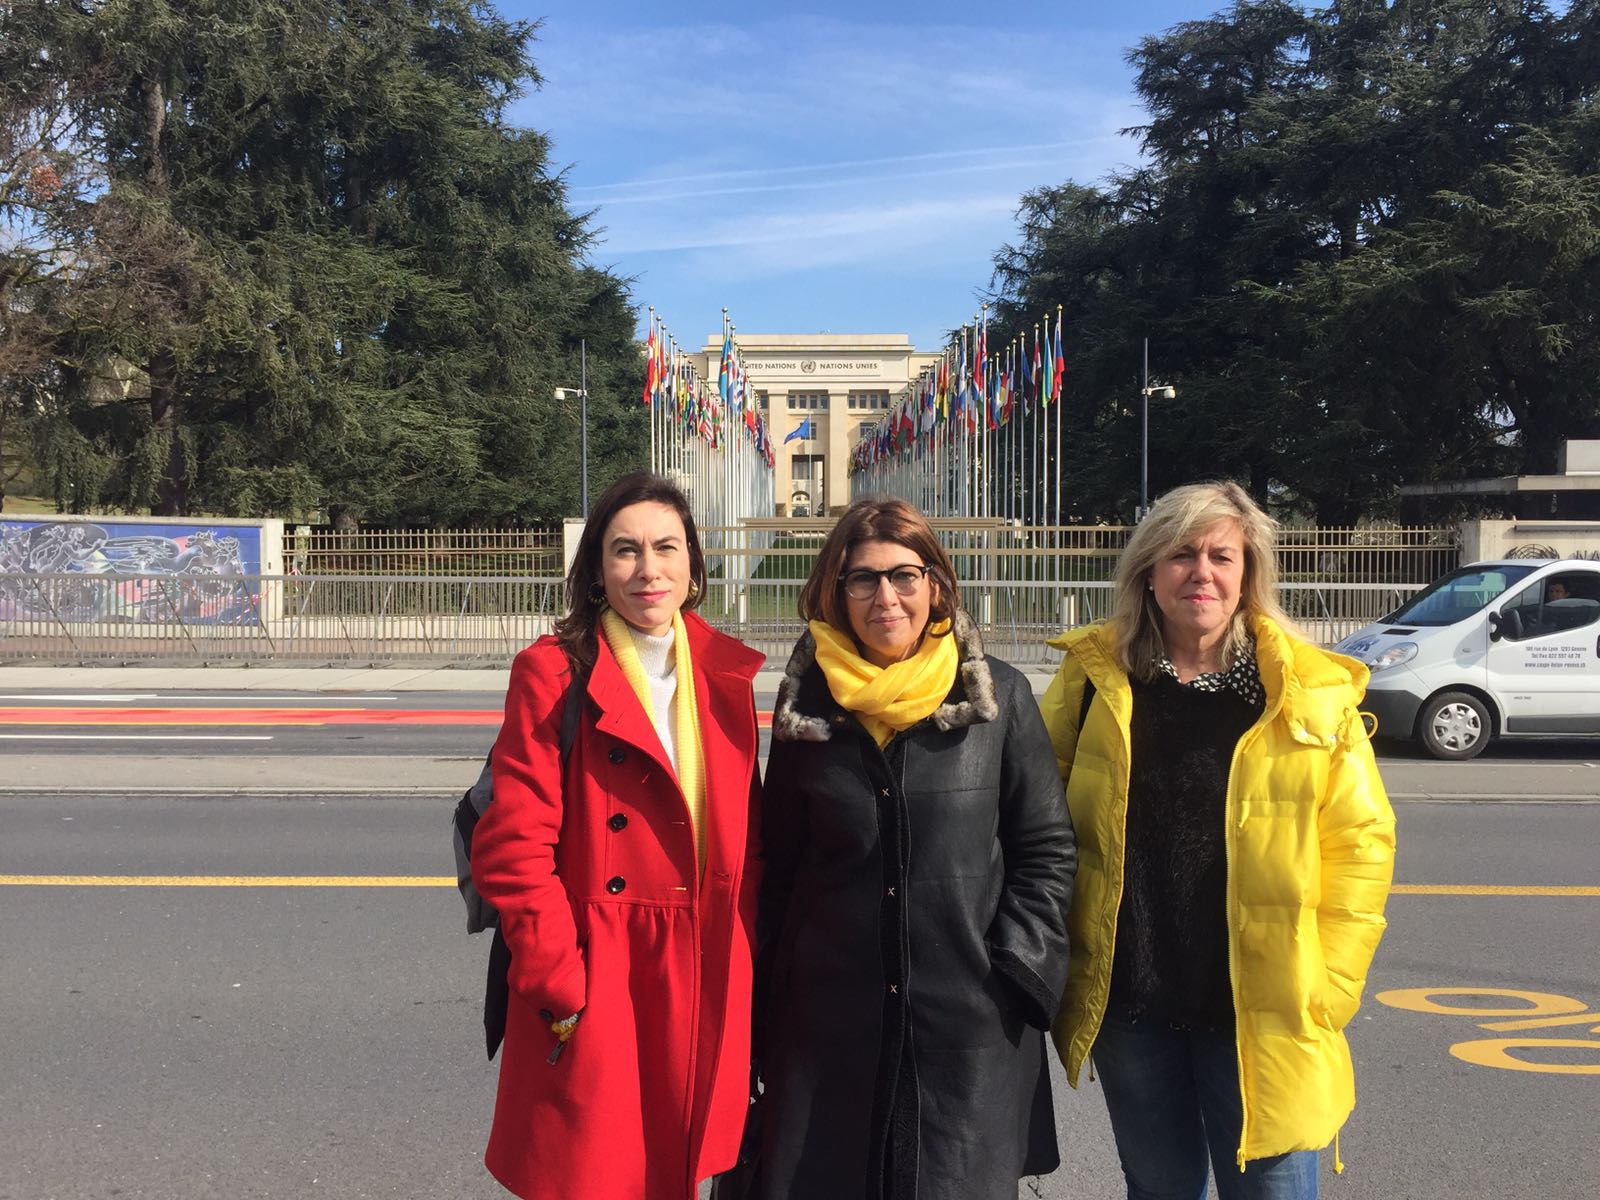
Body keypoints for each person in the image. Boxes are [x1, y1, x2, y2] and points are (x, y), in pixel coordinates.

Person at [1040, 481, 1396, 1200]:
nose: (1201, 572)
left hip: (1263, 1009)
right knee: (1160, 1188)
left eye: (1220, 556)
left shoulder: (1307, 689)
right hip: (1132, 1006)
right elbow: (1038, 816)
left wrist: (1329, 988)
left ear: (1247, 575)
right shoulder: (1094, 678)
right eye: (1180, 554)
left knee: (1272, 1191)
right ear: (1147, 571)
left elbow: (1361, 845)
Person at [755, 497, 1075, 1200]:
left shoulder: (998, 699)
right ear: (835, 592)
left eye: (904, 575)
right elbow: (777, 864)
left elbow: (1045, 847)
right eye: (861, 579)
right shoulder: (807, 710)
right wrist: (767, 996)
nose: (885, 597)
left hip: (966, 1017)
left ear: (936, 584)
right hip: (831, 1022)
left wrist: (1018, 969)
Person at [470, 472, 766, 1200]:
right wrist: (560, 985)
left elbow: (749, 843)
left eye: (666, 548)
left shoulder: (722, 672)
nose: (648, 568)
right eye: (625, 550)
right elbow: (513, 845)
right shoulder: (554, 670)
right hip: (602, 968)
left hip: (705, 962)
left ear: (693, 566)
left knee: (678, 1173)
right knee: (595, 1177)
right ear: (598, 572)